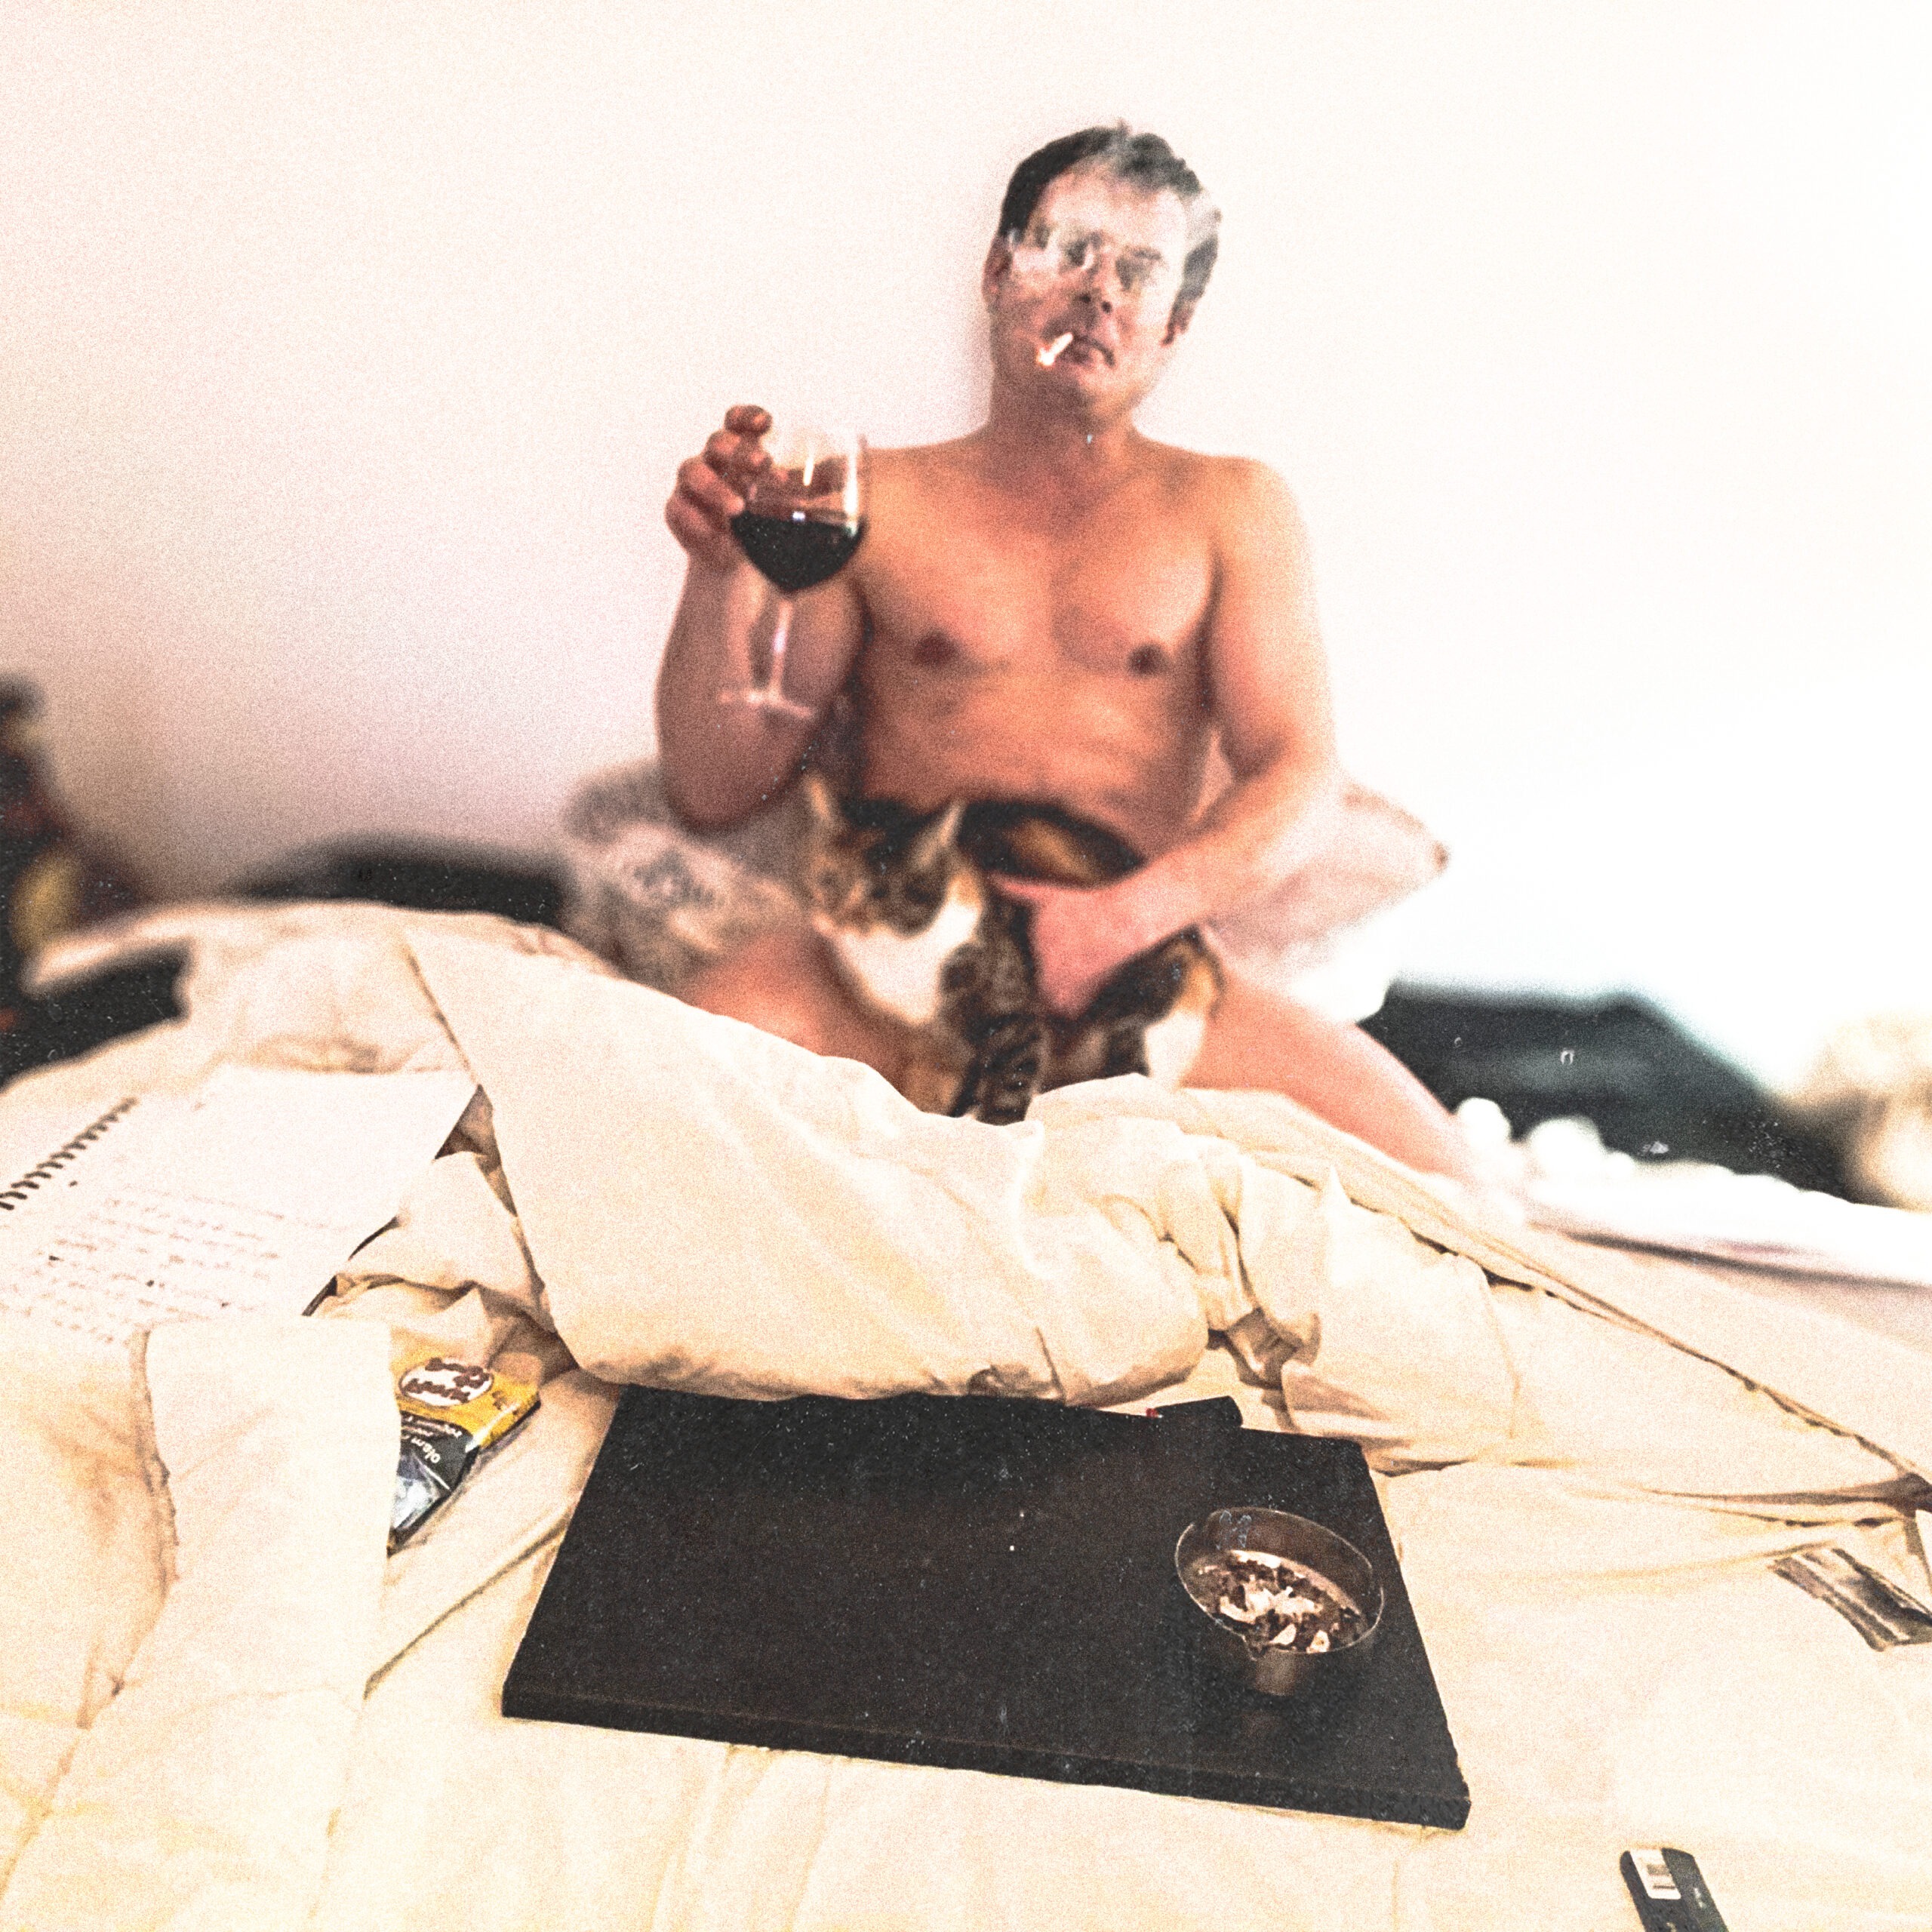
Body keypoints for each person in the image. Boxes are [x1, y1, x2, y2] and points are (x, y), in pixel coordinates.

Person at [654, 125, 1476, 1183]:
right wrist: (715, 575)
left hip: (1138, 970)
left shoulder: (1234, 509)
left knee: (1457, 1194)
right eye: (1067, 249)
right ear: (999, 273)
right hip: (882, 970)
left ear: (1175, 325)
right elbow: (715, 789)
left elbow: (1301, 779)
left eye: (1138, 271)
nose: (1098, 291)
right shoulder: (875, 499)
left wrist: (1122, 920)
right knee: (638, 1127)